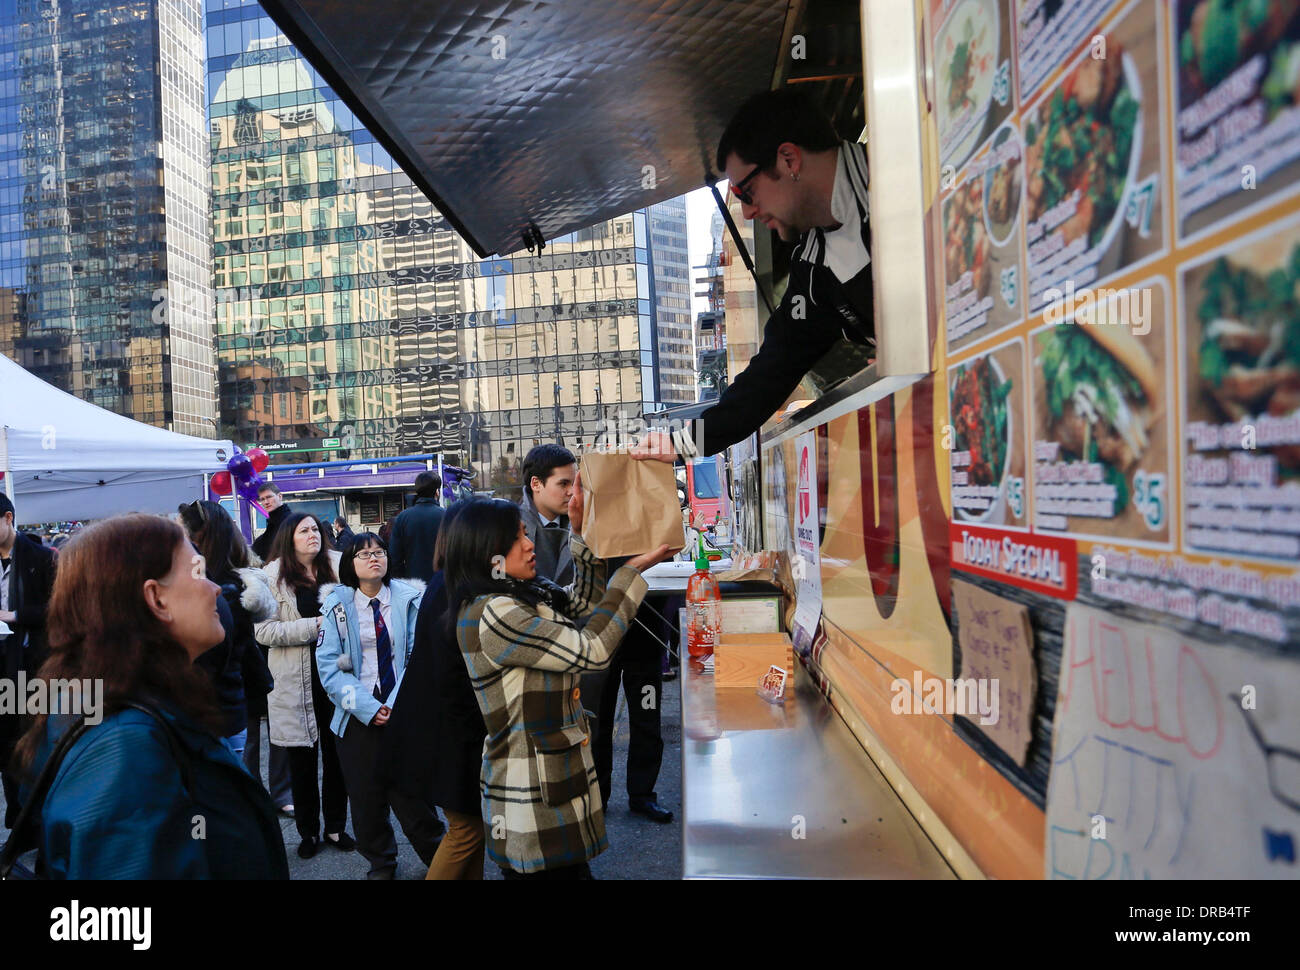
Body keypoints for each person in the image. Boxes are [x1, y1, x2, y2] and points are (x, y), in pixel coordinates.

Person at [9, 515, 288, 879]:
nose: (215, 589)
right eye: (198, 572)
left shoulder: (126, 704)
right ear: (156, 597)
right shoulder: (128, 745)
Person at [632, 87, 875, 464]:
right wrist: (682, 444)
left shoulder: (904, 170)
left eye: (746, 192)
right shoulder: (812, 270)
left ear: (789, 159)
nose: (746, 212)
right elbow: (773, 370)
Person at [445, 493, 673, 878]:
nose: (530, 543)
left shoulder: (516, 593)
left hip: (545, 784)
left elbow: (583, 606)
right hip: (530, 797)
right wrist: (631, 572)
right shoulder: (497, 612)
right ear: (490, 553)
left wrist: (580, 534)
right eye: (518, 538)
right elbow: (593, 649)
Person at [316, 532, 445, 879]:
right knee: (366, 798)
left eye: (380, 552)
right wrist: (368, 707)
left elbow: (420, 657)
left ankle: (442, 861)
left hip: (405, 713)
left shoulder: (410, 600)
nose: (374, 558)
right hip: (356, 716)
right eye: (364, 554)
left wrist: (394, 704)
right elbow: (329, 668)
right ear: (350, 565)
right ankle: (381, 863)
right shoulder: (337, 607)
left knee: (414, 796)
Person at [382, 501, 489, 880]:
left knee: (469, 830)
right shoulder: (456, 589)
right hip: (448, 735)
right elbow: (453, 676)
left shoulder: (449, 581)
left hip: (441, 730)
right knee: (466, 830)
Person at [254, 512, 355, 859]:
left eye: (316, 529)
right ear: (289, 538)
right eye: (304, 530)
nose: (313, 535)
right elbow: (263, 632)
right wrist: (313, 627)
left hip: (336, 677)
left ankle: (336, 827)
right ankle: (309, 832)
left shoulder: (341, 565)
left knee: (337, 755)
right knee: (301, 759)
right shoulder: (271, 576)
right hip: (293, 680)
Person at [177, 501, 277, 761]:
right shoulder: (224, 584)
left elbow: (210, 659)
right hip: (222, 708)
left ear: (198, 539)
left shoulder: (223, 590)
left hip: (216, 711)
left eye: (180, 535)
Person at [0, 494, 56, 829]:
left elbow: (56, 611)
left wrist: (13, 615)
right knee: (6, 746)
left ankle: (34, 818)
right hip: (2, 667)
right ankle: (19, 817)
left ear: (8, 518)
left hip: (29, 668)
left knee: (30, 743)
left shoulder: (41, 557)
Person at [518, 444, 578, 585]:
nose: (572, 492)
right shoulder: (507, 530)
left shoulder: (586, 524)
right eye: (563, 484)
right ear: (536, 484)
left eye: (575, 483)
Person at [388, 471, 445, 583]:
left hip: (412, 584)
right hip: (442, 583)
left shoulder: (402, 517)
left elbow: (394, 558)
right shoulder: (447, 516)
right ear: (437, 492)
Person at [251, 482, 292, 561]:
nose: (266, 502)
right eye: (262, 499)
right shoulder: (273, 524)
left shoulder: (290, 522)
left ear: (280, 496)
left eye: (269, 497)